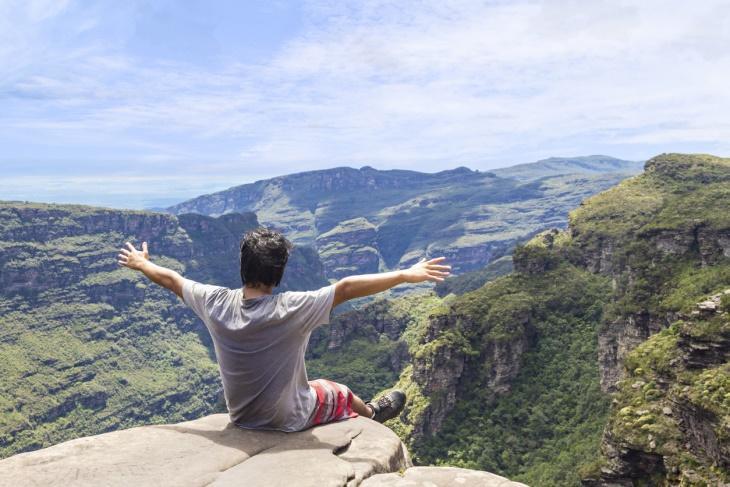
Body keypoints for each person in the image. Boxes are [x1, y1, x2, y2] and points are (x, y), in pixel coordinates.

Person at [117, 227, 451, 432]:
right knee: (339, 390)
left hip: (242, 417)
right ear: (278, 275)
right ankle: (374, 414)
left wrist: (141, 263)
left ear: (243, 266)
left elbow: (172, 280)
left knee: (315, 384)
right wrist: (405, 274)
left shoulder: (213, 302)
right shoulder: (292, 308)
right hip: (290, 419)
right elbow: (347, 287)